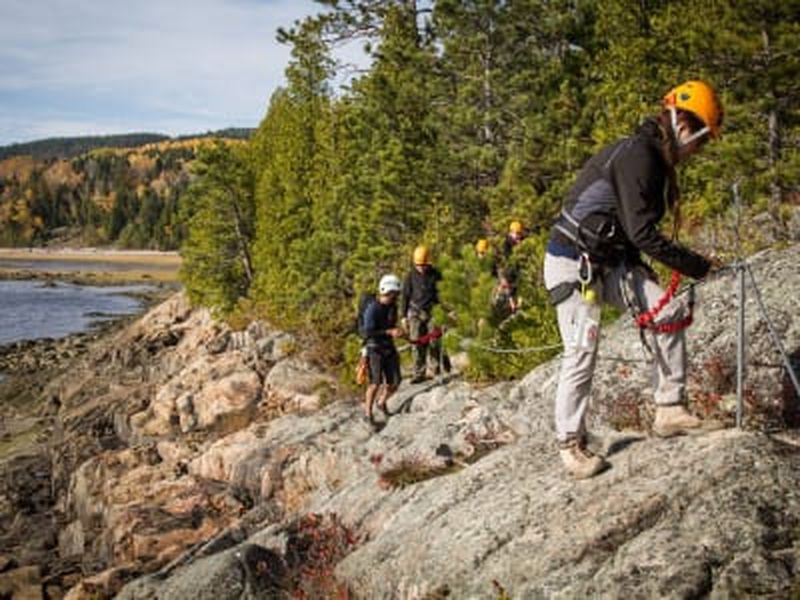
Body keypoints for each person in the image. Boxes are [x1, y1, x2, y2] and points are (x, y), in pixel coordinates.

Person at [543, 80, 724, 479]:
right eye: (702, 141)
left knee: (669, 309)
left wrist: (639, 266)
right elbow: (642, 231)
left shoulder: (651, 157)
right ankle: (570, 443)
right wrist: (700, 267)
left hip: (610, 260)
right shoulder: (640, 156)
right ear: (684, 126)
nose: (699, 151)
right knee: (582, 348)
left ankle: (670, 408)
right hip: (574, 262)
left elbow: (625, 228)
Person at [362, 274, 405, 428]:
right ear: (389, 291)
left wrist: (398, 332)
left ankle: (381, 403)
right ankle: (368, 414)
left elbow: (391, 324)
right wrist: (388, 332)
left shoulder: (392, 306)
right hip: (375, 348)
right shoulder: (372, 309)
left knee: (395, 380)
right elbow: (367, 332)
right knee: (375, 383)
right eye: (395, 293)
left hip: (388, 347)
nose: (396, 296)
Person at [402, 245, 448, 383]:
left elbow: (442, 294)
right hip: (415, 313)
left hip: (433, 312)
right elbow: (405, 296)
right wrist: (403, 317)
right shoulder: (410, 276)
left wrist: (445, 312)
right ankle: (418, 373)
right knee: (417, 343)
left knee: (434, 341)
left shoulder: (435, 274)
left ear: (428, 262)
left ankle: (436, 370)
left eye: (423, 265)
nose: (421, 268)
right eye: (418, 265)